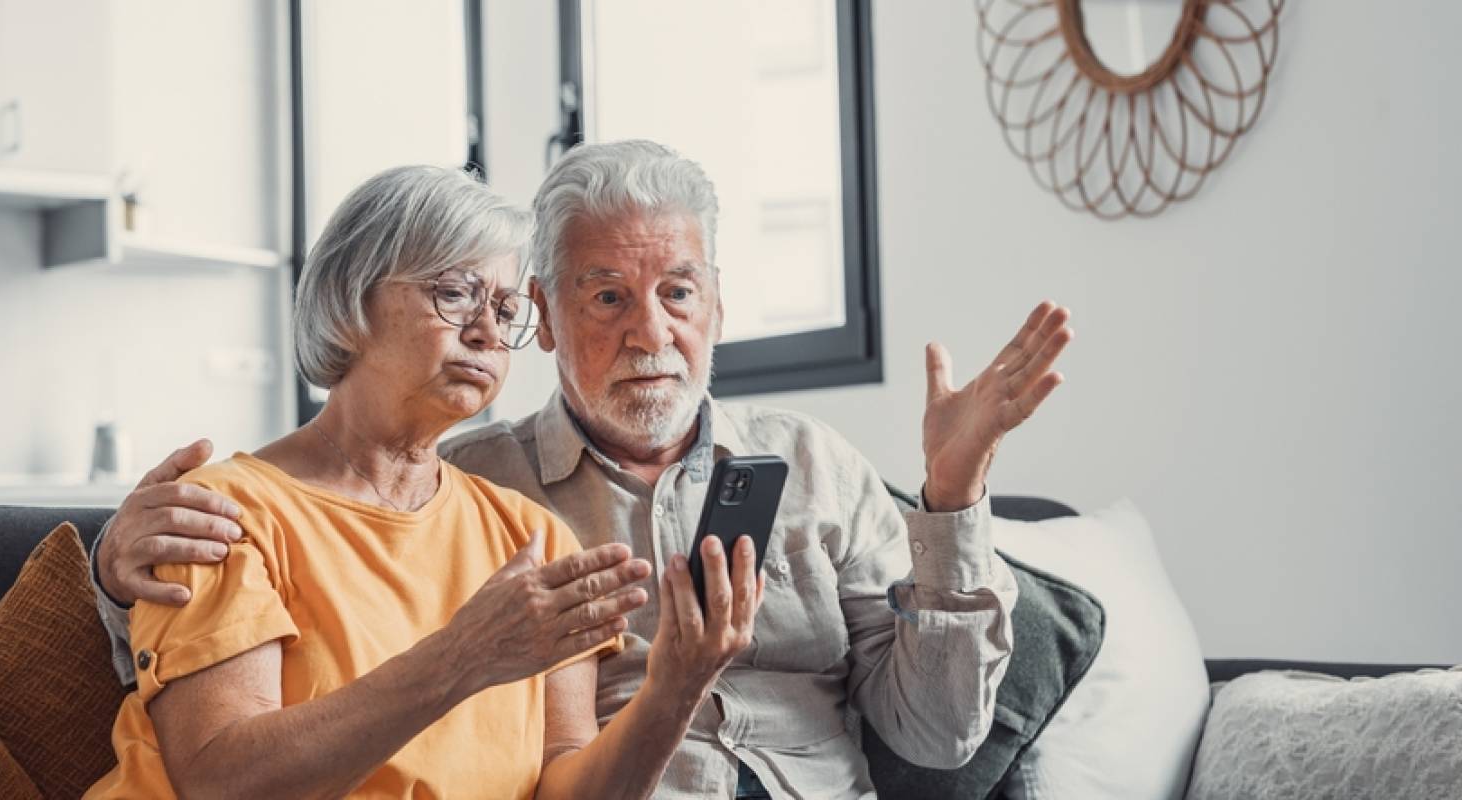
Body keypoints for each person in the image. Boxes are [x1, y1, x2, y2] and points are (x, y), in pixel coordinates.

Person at [95, 141, 1073, 798]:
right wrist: (109, 566)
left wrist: (951, 496)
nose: (651, 330)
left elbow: (938, 736)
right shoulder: (439, 485)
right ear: (554, 318)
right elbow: (210, 735)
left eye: (679, 292)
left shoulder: (531, 528)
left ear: (718, 309)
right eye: (606, 295)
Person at [84, 164, 766, 799]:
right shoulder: (220, 511)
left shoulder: (532, 537)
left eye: (502, 309)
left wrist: (676, 687)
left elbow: (567, 787)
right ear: (351, 301)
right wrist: (461, 658)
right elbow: (220, 778)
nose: (486, 333)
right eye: (454, 293)